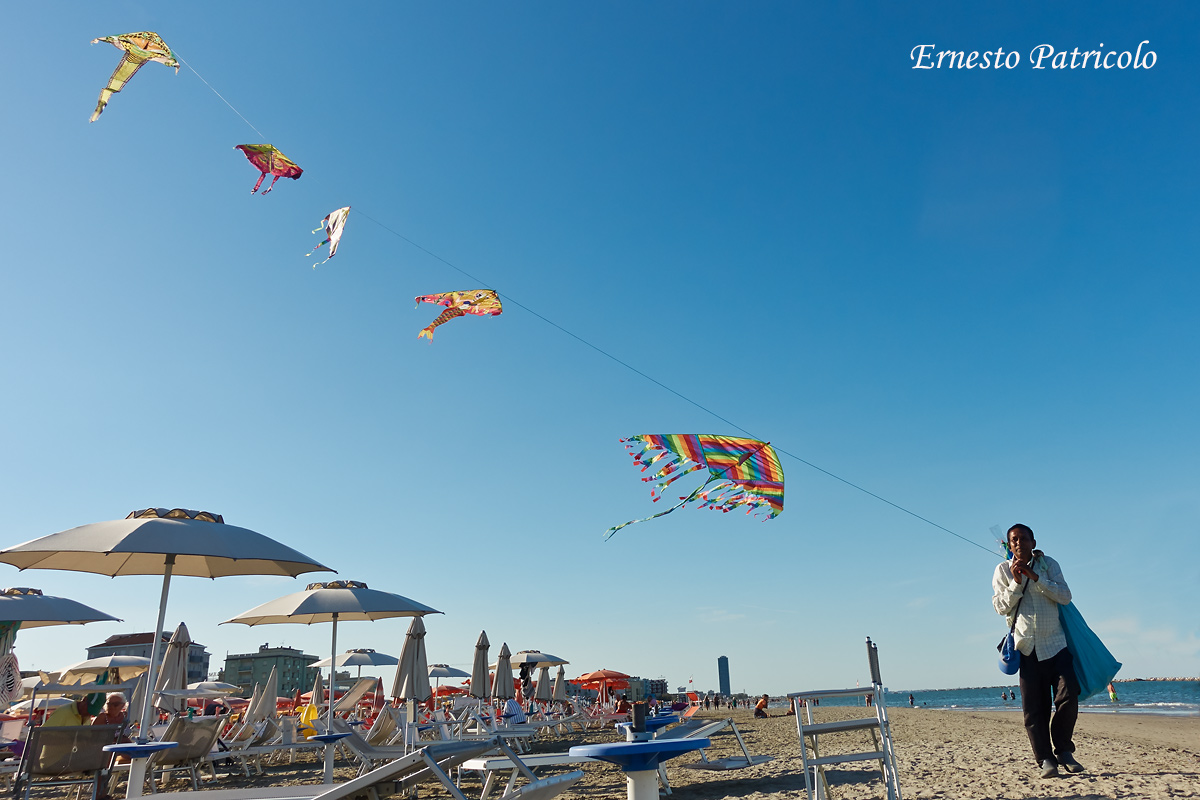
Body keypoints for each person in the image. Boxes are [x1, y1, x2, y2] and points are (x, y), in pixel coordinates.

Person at [993, 523, 1083, 779]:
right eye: (1014, 540)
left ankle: (1064, 750)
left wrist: (1036, 578)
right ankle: (1045, 759)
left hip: (1056, 644)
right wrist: (1016, 582)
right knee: (1034, 709)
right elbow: (1000, 607)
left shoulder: (1048, 565)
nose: (1019, 543)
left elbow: (1065, 596)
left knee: (1069, 696)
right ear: (1009, 546)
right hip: (1026, 648)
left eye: (1023, 538)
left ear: (1033, 543)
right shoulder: (1002, 570)